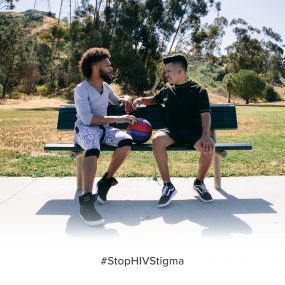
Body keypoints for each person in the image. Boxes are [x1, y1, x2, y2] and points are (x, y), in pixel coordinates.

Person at [133, 54, 215, 207]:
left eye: (169, 71)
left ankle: (199, 183)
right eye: (166, 71)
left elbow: (205, 115)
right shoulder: (167, 89)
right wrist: (140, 100)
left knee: (209, 148)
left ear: (181, 71)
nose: (166, 74)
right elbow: (153, 100)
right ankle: (168, 186)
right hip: (172, 131)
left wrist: (205, 135)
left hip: (193, 132)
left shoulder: (199, 90)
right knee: (157, 140)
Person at [74, 47, 136, 226]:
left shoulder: (105, 86)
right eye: (107, 65)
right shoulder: (82, 89)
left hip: (104, 128)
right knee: (92, 148)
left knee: (125, 141)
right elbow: (87, 119)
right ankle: (86, 201)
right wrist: (118, 118)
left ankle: (106, 181)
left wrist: (127, 98)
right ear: (95, 67)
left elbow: (118, 100)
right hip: (85, 129)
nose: (111, 68)